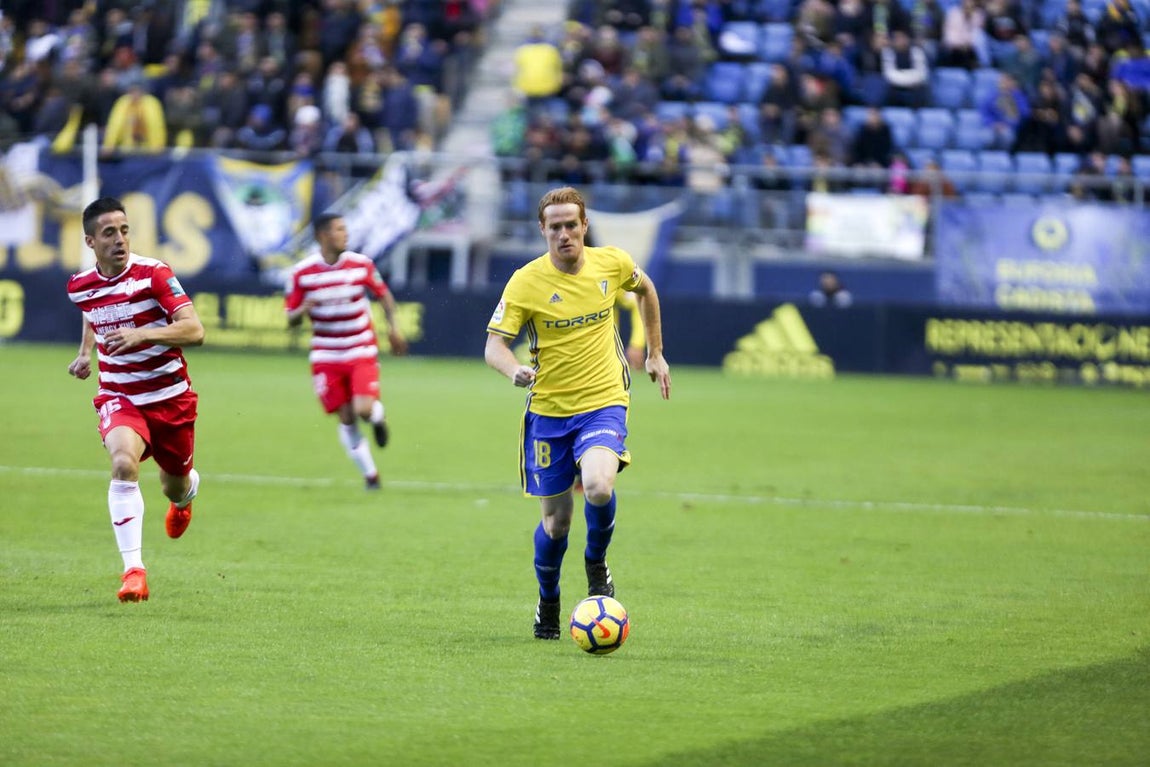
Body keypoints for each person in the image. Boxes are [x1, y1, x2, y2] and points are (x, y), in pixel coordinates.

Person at [484, 186, 672, 640]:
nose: (565, 234)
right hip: (549, 414)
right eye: (556, 227)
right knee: (556, 521)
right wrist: (512, 371)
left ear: (585, 226)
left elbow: (646, 289)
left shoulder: (612, 262)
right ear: (543, 231)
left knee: (598, 486)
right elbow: (493, 346)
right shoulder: (525, 282)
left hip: (603, 400)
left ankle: (596, 564)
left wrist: (655, 353)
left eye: (572, 225)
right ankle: (548, 599)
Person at [66, 197, 205, 603]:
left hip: (170, 397)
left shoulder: (155, 275)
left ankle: (186, 496)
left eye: (125, 230)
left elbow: (194, 330)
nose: (120, 239)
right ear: (91, 241)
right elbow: (93, 311)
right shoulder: (79, 286)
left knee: (173, 485)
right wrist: (84, 352)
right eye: (109, 233)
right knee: (123, 463)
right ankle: (134, 571)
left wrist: (144, 334)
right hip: (119, 394)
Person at [285, 212, 408, 490]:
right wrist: (304, 309)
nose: (346, 234)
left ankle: (377, 418)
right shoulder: (301, 274)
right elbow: (290, 319)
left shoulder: (361, 265)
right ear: (323, 236)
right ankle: (371, 476)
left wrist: (394, 328)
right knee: (346, 417)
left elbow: (384, 296)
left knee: (362, 409)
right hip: (326, 354)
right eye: (339, 229)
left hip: (359, 347)